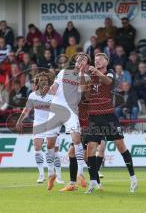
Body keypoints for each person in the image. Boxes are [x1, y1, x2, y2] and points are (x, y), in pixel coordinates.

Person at [84, 53, 137, 193]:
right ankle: (93, 182)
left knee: (120, 146)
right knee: (90, 148)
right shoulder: (90, 76)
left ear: (107, 62)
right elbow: (86, 96)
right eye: (95, 60)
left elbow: (108, 82)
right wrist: (85, 84)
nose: (97, 61)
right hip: (94, 118)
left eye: (100, 59)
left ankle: (133, 179)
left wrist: (94, 72)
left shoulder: (110, 73)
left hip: (108, 116)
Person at [46, 53, 90, 191]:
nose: (80, 62)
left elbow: (82, 89)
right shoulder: (64, 72)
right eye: (79, 60)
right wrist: (49, 89)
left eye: (84, 61)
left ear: (87, 65)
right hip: (55, 109)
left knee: (76, 139)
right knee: (50, 144)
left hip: (71, 111)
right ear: (75, 62)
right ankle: (51, 174)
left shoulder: (86, 77)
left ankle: (81, 173)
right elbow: (54, 87)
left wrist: (82, 73)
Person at [16, 72, 64, 184]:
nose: (44, 82)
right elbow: (26, 110)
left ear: (49, 82)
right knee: (37, 148)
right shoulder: (33, 95)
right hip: (38, 124)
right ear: (37, 83)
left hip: (52, 124)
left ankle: (58, 175)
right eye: (41, 80)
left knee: (54, 151)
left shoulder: (53, 95)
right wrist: (19, 120)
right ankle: (41, 175)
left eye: (45, 80)